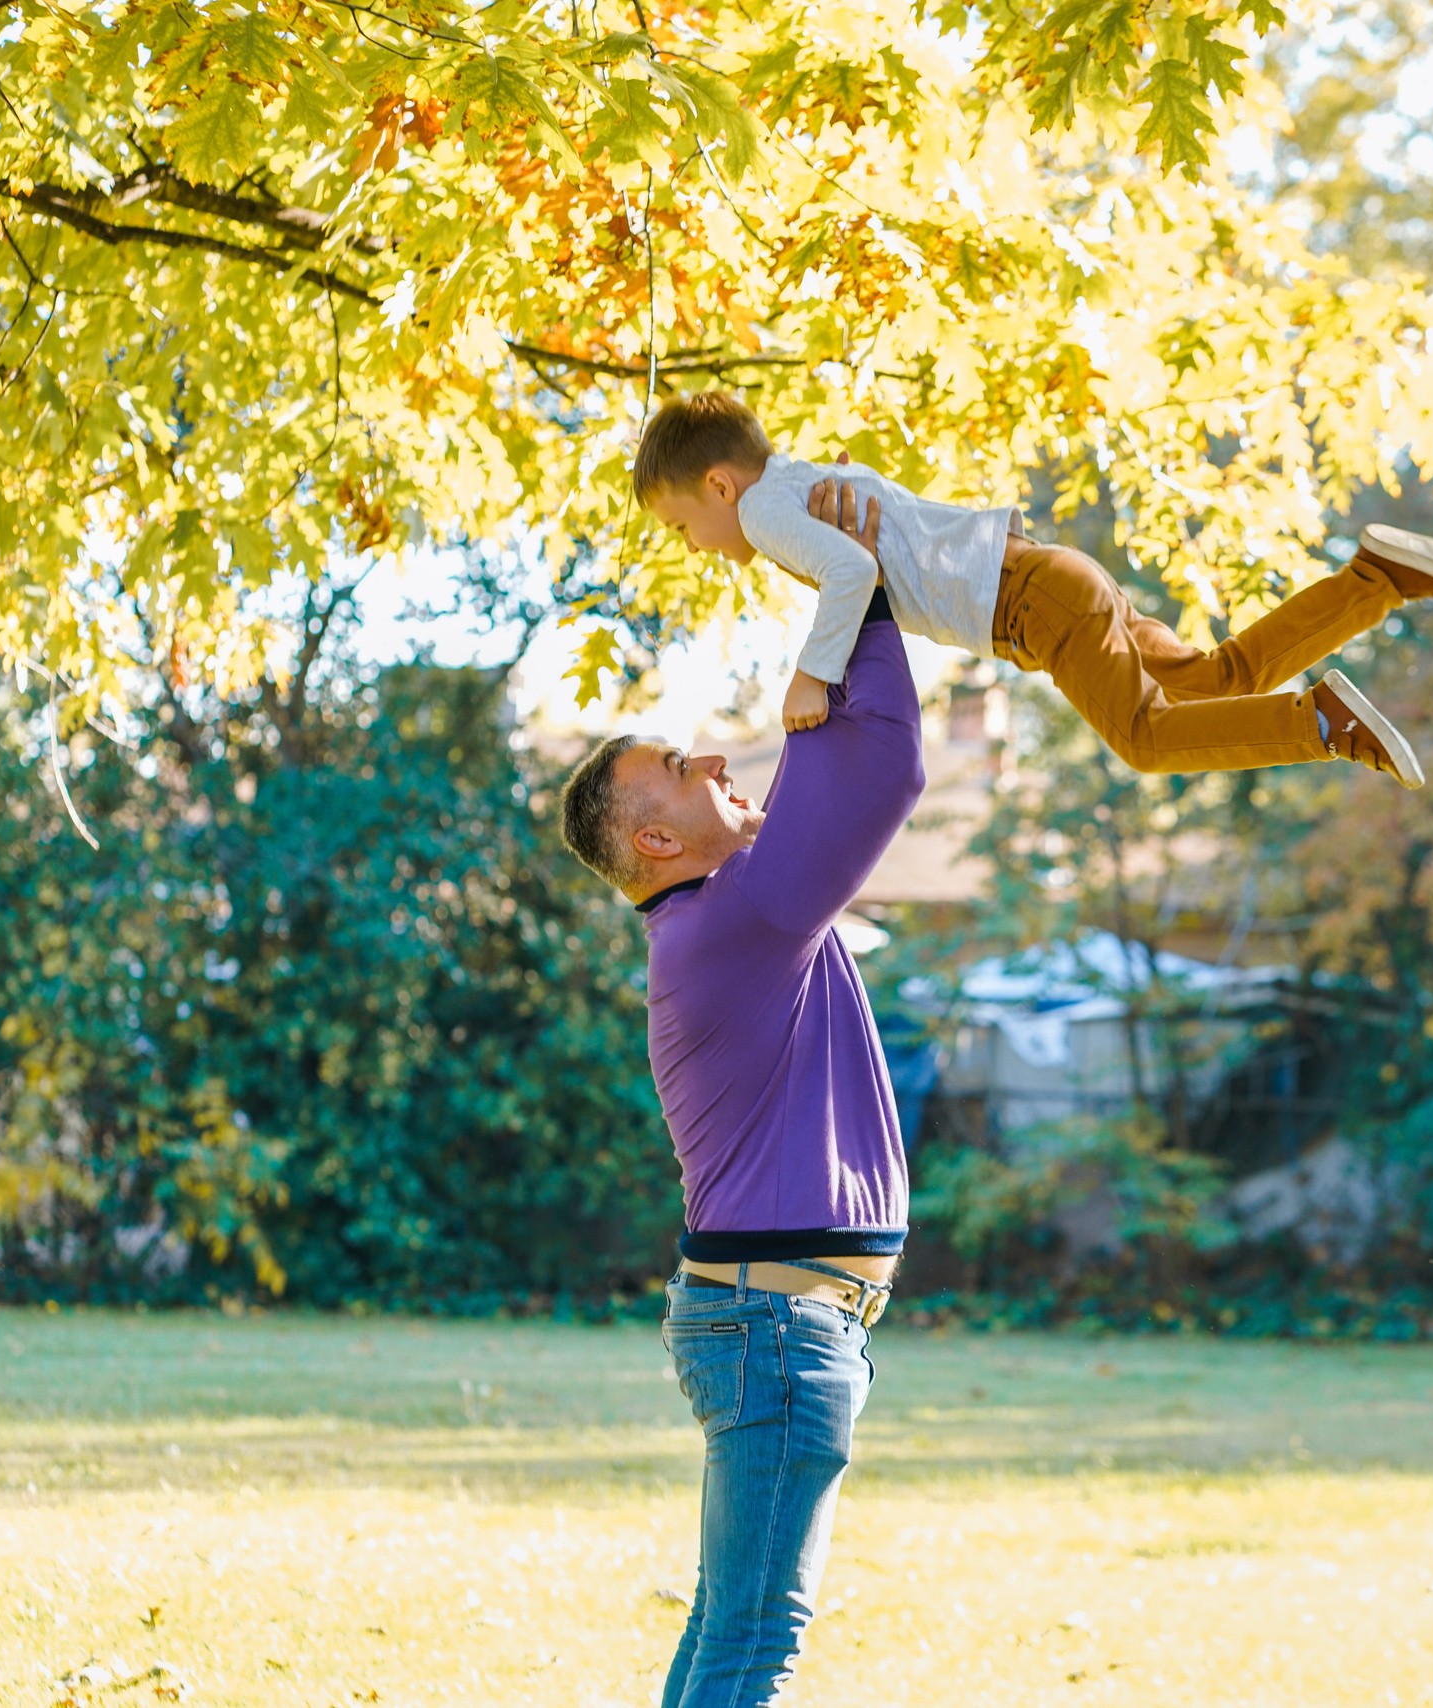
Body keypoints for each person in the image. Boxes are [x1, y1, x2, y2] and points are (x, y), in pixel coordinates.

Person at [556, 482, 921, 1708]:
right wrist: (855, 586)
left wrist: (848, 602)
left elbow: (846, 774)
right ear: (655, 842)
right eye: (678, 767)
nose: (714, 757)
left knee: (730, 1630)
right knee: (752, 1643)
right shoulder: (737, 919)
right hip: (776, 1324)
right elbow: (882, 769)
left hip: (773, 1319)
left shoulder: (736, 913)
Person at [633, 389, 1433, 789]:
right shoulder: (797, 479)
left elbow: (854, 571)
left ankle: (1321, 725)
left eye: (681, 527)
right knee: (1216, 678)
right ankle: (1378, 579)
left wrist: (810, 676)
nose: (694, 545)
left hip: (1032, 604)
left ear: (718, 486)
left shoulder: (761, 511)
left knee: (1147, 740)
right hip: (1049, 580)